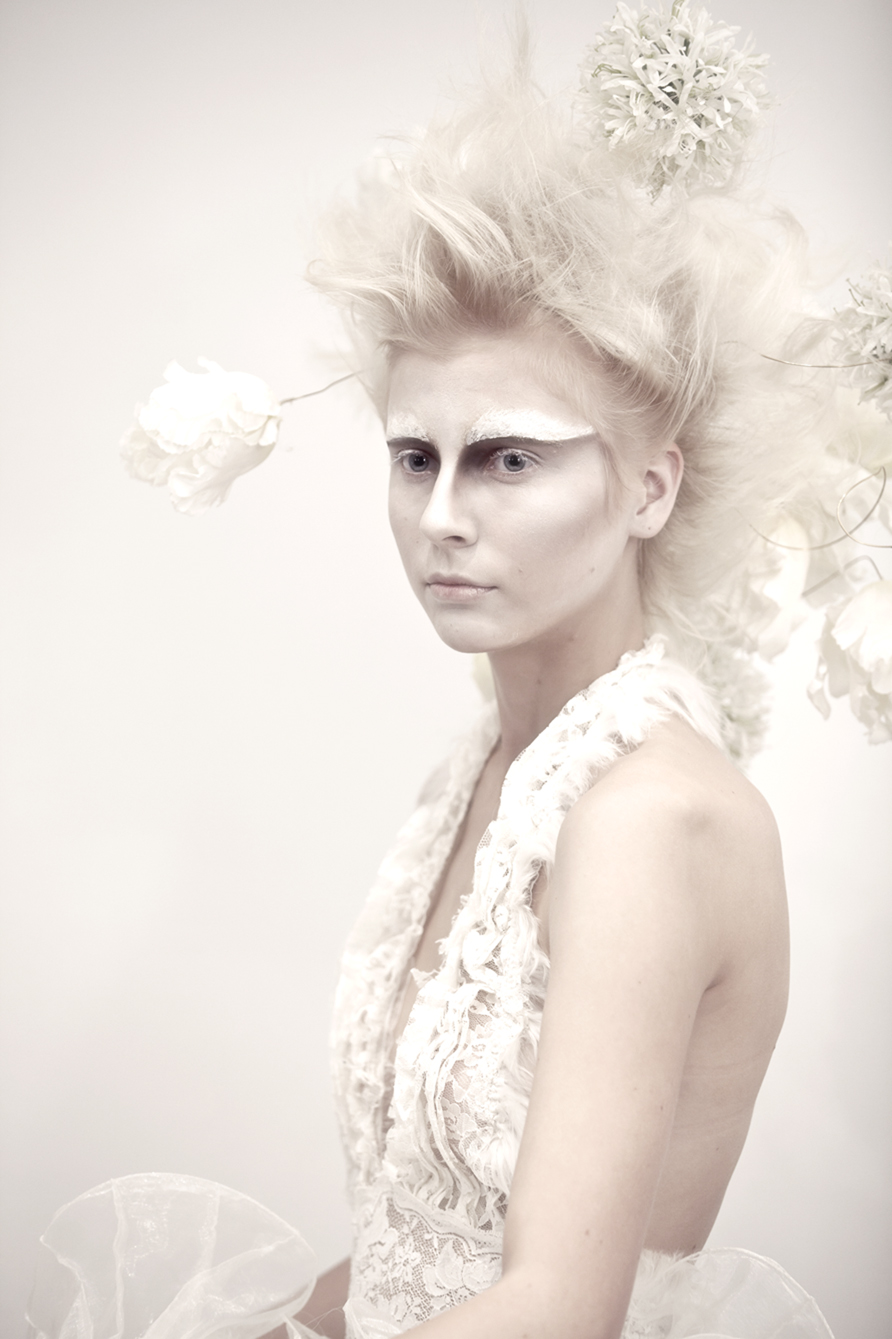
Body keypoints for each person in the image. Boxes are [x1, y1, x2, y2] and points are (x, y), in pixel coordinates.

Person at [27, 5, 891, 1338]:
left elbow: (555, 1309)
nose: (440, 516)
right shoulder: (495, 772)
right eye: (415, 457)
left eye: (508, 458)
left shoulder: (651, 817)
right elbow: (417, 1246)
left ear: (651, 487)